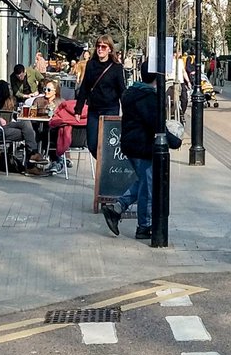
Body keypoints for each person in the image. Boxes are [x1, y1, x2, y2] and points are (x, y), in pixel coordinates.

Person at [100, 62, 160, 240]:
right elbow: (155, 124)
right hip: (142, 147)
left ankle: (116, 208)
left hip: (130, 144)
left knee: (143, 182)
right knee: (148, 186)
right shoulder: (148, 97)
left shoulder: (133, 92)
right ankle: (144, 226)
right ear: (157, 76)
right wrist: (172, 139)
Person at [75, 36, 125, 157]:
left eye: (104, 46)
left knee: (108, 143)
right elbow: (84, 87)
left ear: (109, 49)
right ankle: (104, 166)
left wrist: (128, 111)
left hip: (110, 109)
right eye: (98, 46)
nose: (100, 49)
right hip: (94, 110)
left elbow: (122, 90)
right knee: (92, 144)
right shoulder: (91, 64)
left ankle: (106, 171)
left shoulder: (116, 67)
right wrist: (78, 109)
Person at [48, 97, 87, 173]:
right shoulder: (87, 114)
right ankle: (64, 159)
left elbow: (53, 123)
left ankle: (57, 161)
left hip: (65, 140)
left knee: (49, 135)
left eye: (48, 89)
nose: (46, 91)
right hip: (82, 141)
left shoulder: (62, 110)